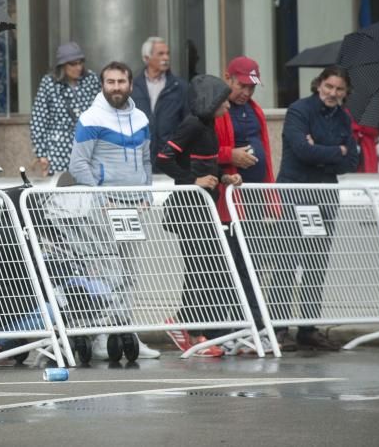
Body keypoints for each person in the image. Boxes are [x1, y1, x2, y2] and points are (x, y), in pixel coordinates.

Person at [69, 61, 159, 360]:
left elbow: (146, 161)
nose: (116, 87)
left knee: (130, 274)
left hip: (133, 209)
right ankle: (100, 335)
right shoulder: (91, 117)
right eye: (110, 82)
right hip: (102, 210)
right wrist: (100, 196)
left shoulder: (141, 117)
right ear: (102, 85)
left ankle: (127, 333)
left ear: (131, 85)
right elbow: (78, 165)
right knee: (108, 274)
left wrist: (146, 194)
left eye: (121, 81)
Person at [274, 65, 360, 351]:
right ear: (319, 85)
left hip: (324, 195)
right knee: (286, 263)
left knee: (316, 263)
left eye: (339, 90)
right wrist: (337, 150)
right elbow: (301, 150)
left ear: (345, 93)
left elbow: (352, 162)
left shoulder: (344, 118)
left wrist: (324, 150)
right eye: (329, 87)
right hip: (294, 191)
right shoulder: (299, 111)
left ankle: (308, 328)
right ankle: (279, 328)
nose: (332, 94)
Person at [155, 75, 240, 358]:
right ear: (210, 101)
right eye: (223, 99)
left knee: (208, 268)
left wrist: (223, 177)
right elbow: (164, 159)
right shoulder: (191, 124)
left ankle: (193, 329)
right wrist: (192, 182)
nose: (228, 105)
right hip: (188, 208)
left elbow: (204, 163)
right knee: (200, 269)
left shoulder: (208, 125)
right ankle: (183, 324)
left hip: (204, 207)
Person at [214, 56, 274, 354]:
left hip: (251, 198)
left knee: (251, 264)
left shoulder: (255, 111)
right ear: (228, 78)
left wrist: (270, 197)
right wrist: (230, 155)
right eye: (242, 86)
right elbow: (206, 151)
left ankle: (253, 325)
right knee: (231, 265)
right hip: (227, 199)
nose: (247, 93)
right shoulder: (216, 108)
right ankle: (229, 328)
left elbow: (266, 154)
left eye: (252, 87)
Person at [30, 42, 101, 176]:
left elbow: (101, 112)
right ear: (62, 65)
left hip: (88, 147)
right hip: (58, 150)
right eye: (73, 64)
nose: (78, 67)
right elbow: (38, 120)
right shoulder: (49, 83)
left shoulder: (91, 79)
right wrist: (41, 154)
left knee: (88, 190)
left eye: (80, 62)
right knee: (61, 190)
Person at [131, 36, 188, 161]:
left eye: (167, 54)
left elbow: (187, 124)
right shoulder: (133, 87)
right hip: (140, 158)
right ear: (147, 58)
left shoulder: (180, 87)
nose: (166, 58)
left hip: (171, 159)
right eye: (161, 54)